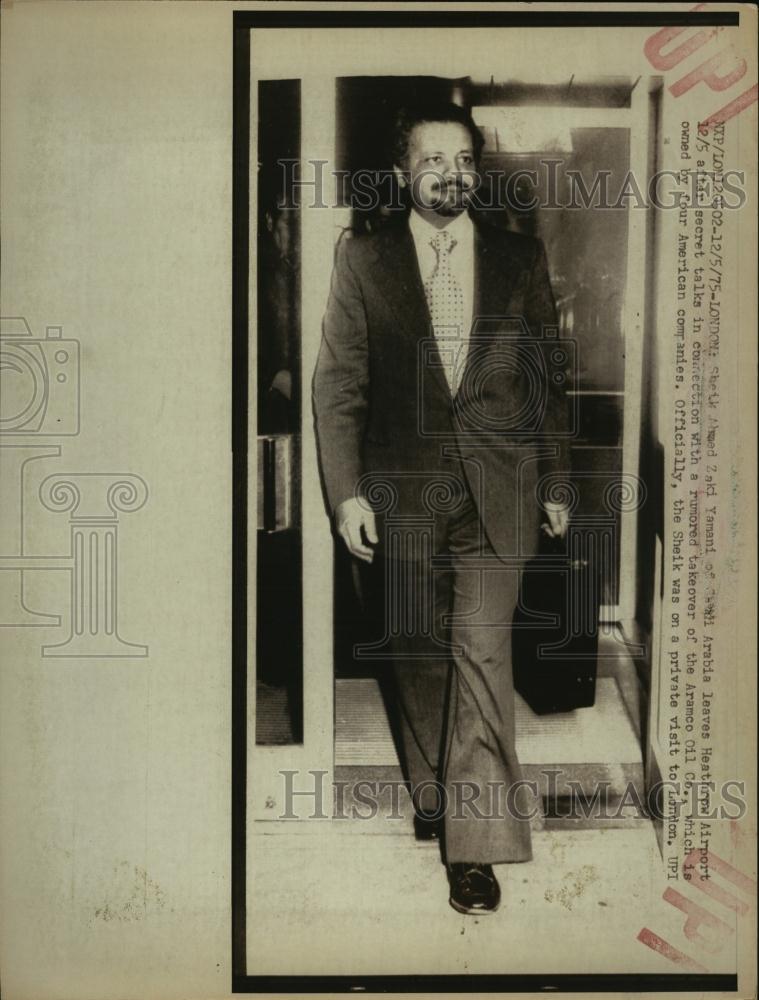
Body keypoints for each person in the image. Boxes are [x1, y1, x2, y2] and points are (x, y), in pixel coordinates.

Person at [313, 101, 571, 915]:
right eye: (432, 160)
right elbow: (339, 384)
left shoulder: (519, 258)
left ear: (476, 169)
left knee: (482, 660)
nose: (449, 174)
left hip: (501, 491)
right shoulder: (362, 258)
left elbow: (546, 383)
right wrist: (346, 491)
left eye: (462, 159)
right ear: (403, 172)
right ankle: (434, 793)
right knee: (417, 658)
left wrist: (557, 482)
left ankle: (477, 845)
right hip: (402, 496)